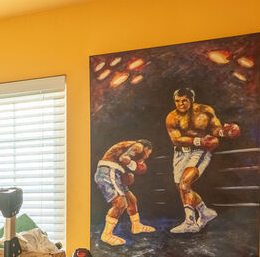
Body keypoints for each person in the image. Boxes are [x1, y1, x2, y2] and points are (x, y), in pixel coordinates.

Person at [165, 88, 240, 233]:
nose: (180, 104)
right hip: (181, 153)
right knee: (181, 187)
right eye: (177, 101)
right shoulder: (172, 117)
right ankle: (205, 212)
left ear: (191, 99)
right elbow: (176, 140)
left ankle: (190, 223)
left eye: (184, 100)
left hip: (199, 152)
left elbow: (215, 128)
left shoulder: (205, 111)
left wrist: (224, 132)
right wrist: (200, 141)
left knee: (185, 183)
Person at [94, 139, 155, 246]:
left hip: (114, 171)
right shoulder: (139, 146)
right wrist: (135, 166)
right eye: (148, 153)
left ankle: (136, 226)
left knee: (131, 200)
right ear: (146, 148)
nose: (147, 157)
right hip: (109, 170)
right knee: (120, 203)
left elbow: (123, 160)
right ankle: (106, 235)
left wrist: (128, 173)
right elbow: (124, 158)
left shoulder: (129, 147)